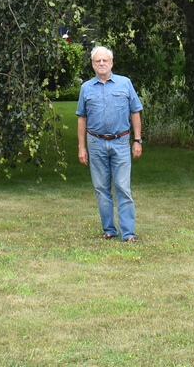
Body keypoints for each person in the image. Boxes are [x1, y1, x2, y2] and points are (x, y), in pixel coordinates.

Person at [75, 44, 143, 241]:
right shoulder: (86, 88)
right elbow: (82, 118)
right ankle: (109, 230)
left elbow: (135, 112)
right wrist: (82, 147)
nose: (102, 64)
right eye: (98, 61)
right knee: (101, 189)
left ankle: (128, 234)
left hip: (121, 142)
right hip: (95, 144)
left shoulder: (125, 84)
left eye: (105, 60)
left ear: (111, 63)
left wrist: (137, 140)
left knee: (122, 187)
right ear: (93, 65)